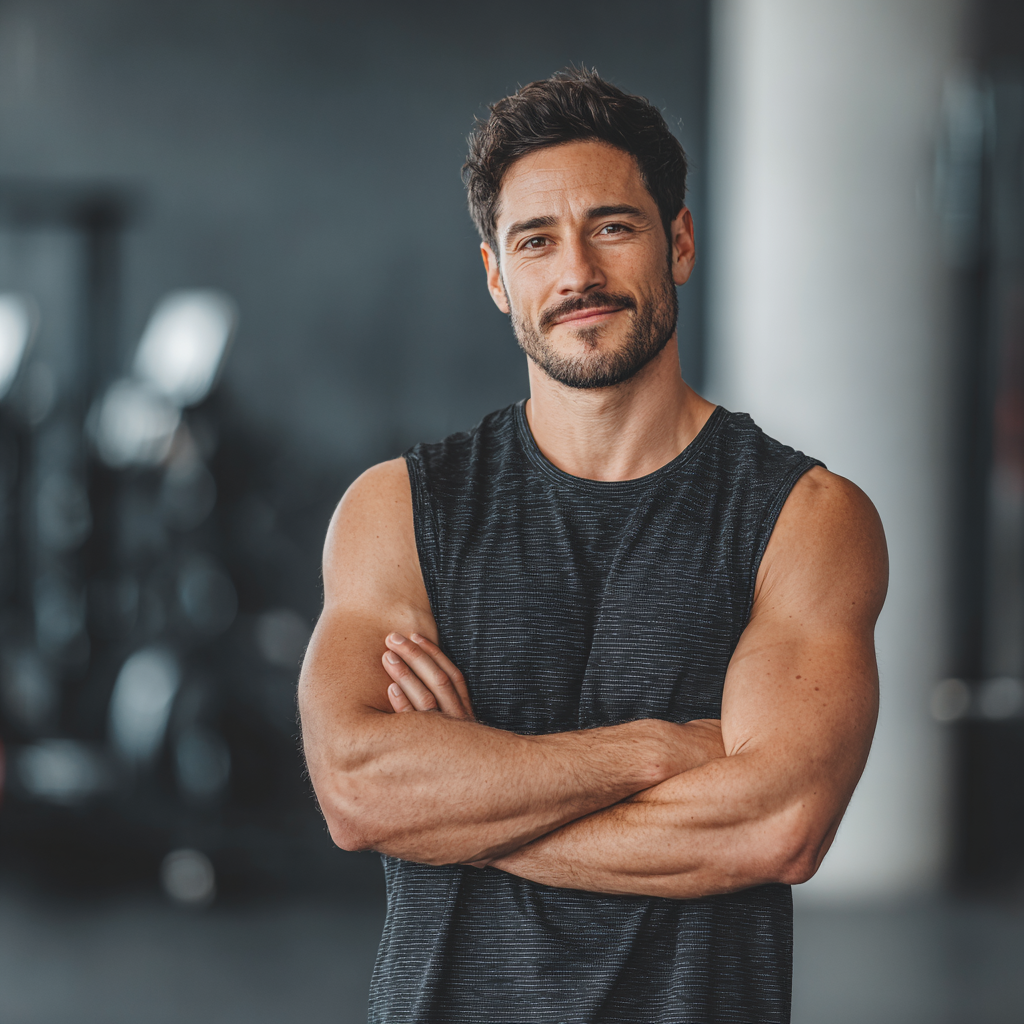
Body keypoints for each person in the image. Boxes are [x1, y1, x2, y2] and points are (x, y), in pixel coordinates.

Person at [299, 67, 887, 1023]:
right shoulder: (399, 509)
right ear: (497, 276)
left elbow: (777, 824)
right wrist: (657, 750)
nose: (576, 272)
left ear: (680, 242)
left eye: (613, 226)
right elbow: (360, 793)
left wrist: (460, 806)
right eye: (536, 241)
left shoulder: (803, 517)